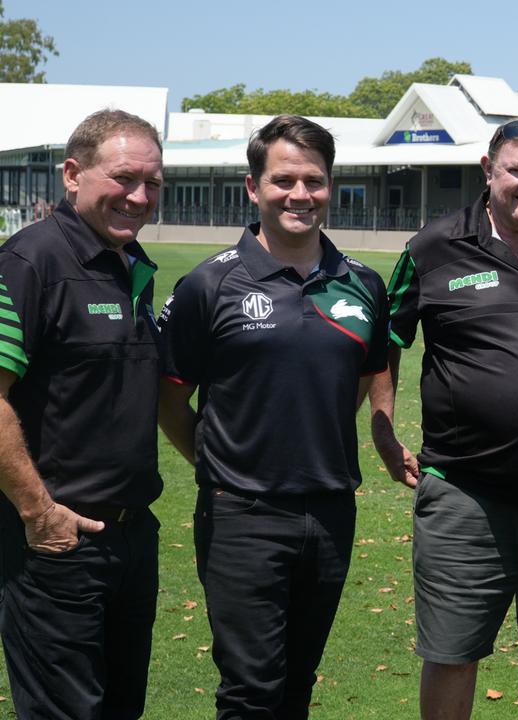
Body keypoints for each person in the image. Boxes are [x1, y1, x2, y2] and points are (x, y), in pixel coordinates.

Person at [369, 116, 518, 720]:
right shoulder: (433, 245)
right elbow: (386, 339)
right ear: (488, 170)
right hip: (466, 496)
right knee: (453, 653)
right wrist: (382, 429)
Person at [157, 115, 390, 718]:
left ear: (330, 186)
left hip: (333, 512)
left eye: (314, 181)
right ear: (252, 186)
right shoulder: (210, 284)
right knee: (250, 693)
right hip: (244, 516)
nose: (300, 195)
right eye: (283, 179)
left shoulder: (363, 283)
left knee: (296, 686)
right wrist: (222, 458)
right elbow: (169, 399)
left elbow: (368, 370)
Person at [0, 109, 164, 719]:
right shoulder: (32, 261)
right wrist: (40, 514)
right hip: (55, 543)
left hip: (130, 537)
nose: (139, 196)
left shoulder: (129, 265)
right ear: (73, 174)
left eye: (152, 183)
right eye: (124, 178)